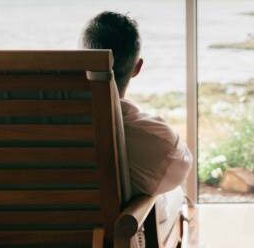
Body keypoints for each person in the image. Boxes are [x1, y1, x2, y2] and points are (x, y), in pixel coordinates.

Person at [81, 11, 192, 200]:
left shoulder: (36, 125)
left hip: (33, 226)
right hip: (103, 228)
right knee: (169, 196)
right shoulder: (157, 143)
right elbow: (182, 166)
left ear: (82, 63)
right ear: (137, 68)